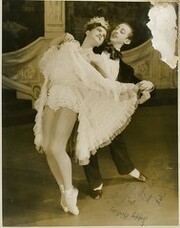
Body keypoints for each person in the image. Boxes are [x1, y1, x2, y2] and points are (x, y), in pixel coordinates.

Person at [33, 17, 139, 215]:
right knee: (47, 147)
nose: (101, 35)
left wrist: (133, 87)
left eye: (103, 35)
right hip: (53, 95)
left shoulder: (92, 59)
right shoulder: (69, 46)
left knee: (57, 147)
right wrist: (61, 38)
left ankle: (69, 191)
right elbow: (45, 61)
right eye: (98, 31)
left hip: (72, 99)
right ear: (88, 32)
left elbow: (104, 83)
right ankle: (64, 190)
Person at [82, 22, 154, 199]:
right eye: (116, 28)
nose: (116, 31)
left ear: (127, 41)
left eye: (122, 31)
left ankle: (128, 169)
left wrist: (150, 85)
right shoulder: (95, 49)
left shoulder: (126, 69)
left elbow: (136, 85)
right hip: (87, 104)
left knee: (116, 138)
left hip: (108, 108)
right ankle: (95, 183)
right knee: (87, 143)